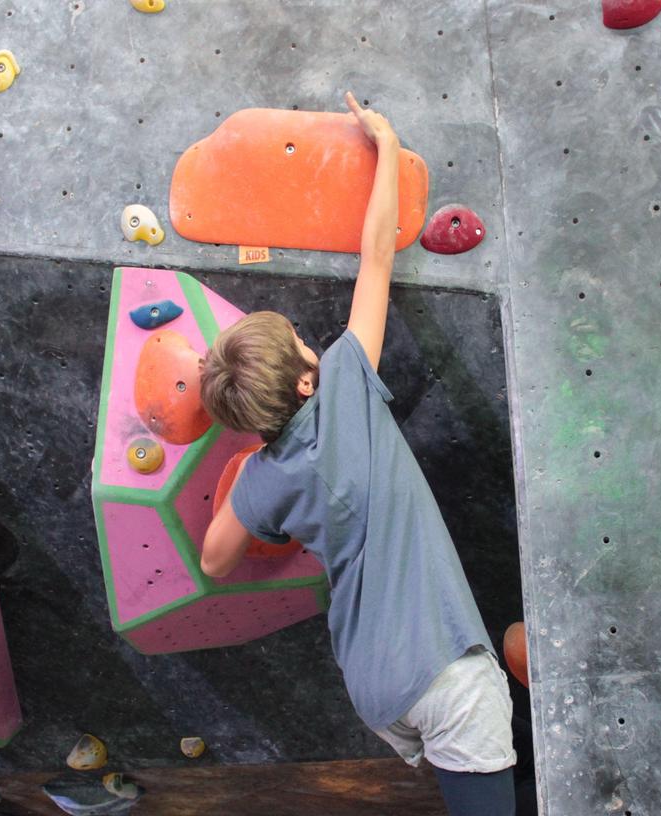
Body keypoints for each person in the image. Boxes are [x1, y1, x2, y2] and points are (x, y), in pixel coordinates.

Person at [197, 92, 518, 816]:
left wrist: (244, 478)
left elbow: (215, 561)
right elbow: (377, 255)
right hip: (443, 673)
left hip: (373, 685)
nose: (316, 343)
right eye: (303, 344)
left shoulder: (259, 481)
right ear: (307, 376)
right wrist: (384, 139)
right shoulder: (345, 383)